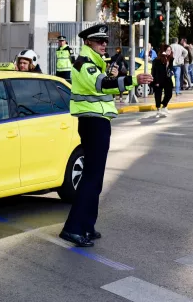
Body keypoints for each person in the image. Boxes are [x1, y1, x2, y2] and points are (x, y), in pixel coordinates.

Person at [60, 23, 153, 247]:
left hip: (98, 122)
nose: (104, 44)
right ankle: (72, 228)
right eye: (99, 41)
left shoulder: (95, 63)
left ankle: (87, 226)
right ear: (88, 42)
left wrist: (117, 76)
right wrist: (132, 80)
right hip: (92, 123)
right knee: (91, 178)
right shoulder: (84, 64)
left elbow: (106, 85)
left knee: (96, 179)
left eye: (105, 41)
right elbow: (102, 86)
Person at [152, 44, 174, 116]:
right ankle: (158, 109)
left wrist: (171, 71)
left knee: (169, 93)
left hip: (167, 78)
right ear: (164, 51)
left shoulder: (170, 59)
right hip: (158, 79)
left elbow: (170, 68)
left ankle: (164, 105)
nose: (169, 51)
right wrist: (156, 81)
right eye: (168, 50)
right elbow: (155, 71)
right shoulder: (157, 60)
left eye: (170, 50)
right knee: (158, 94)